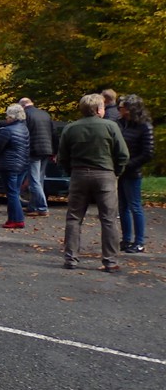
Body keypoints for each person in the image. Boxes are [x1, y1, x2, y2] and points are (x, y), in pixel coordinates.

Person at [58, 93, 129, 271]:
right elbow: (123, 154)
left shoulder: (71, 128)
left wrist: (71, 171)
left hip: (78, 174)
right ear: (98, 109)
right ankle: (110, 261)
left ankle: (71, 258)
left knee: (74, 218)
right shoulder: (111, 126)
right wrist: (116, 172)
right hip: (105, 175)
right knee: (108, 219)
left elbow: (62, 156)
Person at [117, 94, 155, 253]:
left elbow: (148, 153)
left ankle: (139, 241)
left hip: (132, 172)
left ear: (130, 109)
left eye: (122, 107)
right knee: (123, 207)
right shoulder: (121, 124)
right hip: (120, 171)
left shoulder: (144, 126)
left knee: (135, 206)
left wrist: (129, 165)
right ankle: (126, 239)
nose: (119, 109)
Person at [0, 103, 31, 229]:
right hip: (22, 164)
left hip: (9, 164)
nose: (6, 118)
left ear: (12, 117)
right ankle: (12, 218)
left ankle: (18, 219)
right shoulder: (24, 129)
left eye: (7, 116)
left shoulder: (7, 130)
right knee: (15, 192)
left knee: (12, 193)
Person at [19, 98, 57, 216]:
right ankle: (33, 206)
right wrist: (55, 151)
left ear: (22, 106)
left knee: (34, 180)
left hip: (33, 150)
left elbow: (23, 133)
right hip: (46, 150)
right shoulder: (45, 114)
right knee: (39, 180)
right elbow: (54, 133)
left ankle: (42, 207)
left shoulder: (25, 115)